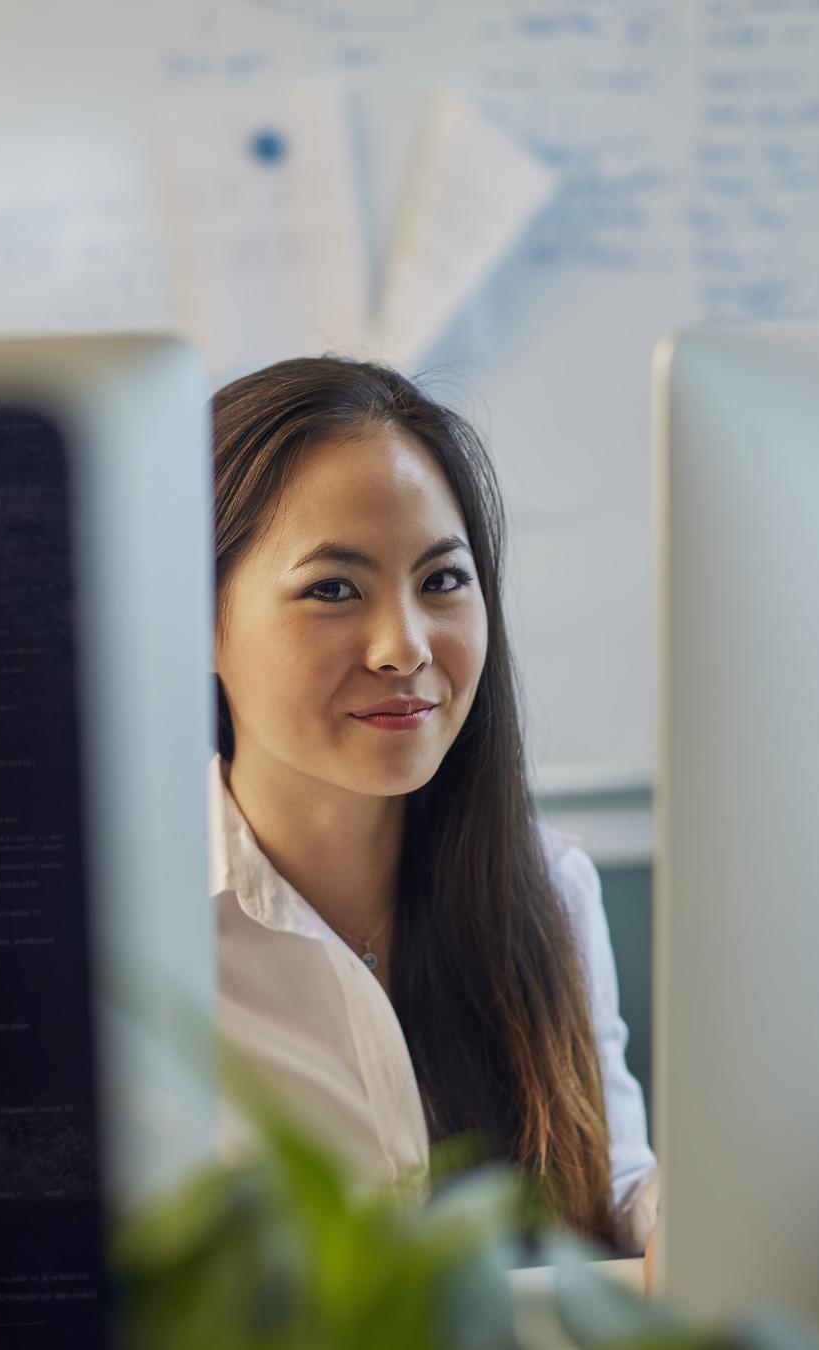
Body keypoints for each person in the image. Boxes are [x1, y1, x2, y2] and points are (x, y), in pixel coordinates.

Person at [208, 355, 659, 1256]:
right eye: (333, 589)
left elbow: (609, 1195)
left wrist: (676, 1217)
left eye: (443, 581)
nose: (402, 646)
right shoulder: (126, 946)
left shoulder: (548, 889)